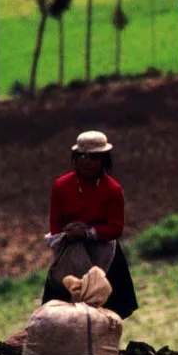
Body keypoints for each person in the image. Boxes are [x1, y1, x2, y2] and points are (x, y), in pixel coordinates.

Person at [41, 130, 138, 319]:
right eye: (82, 157)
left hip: (104, 252)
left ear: (104, 160)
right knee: (62, 312)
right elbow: (55, 225)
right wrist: (67, 238)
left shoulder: (113, 190)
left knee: (106, 313)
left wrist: (87, 233)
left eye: (94, 158)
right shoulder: (61, 186)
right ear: (75, 158)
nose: (87, 163)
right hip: (71, 251)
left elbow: (115, 228)